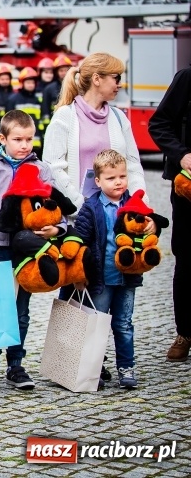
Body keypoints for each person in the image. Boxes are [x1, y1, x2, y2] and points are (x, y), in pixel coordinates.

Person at [0, 109, 64, 390]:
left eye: (29, 139)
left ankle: (16, 364)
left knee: (20, 309)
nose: (24, 145)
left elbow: (56, 207)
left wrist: (57, 229)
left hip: (29, 250)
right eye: (18, 139)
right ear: (3, 139)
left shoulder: (41, 169)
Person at [74, 149, 152, 389]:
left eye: (122, 176)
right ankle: (93, 370)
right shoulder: (91, 208)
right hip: (100, 278)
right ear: (97, 181)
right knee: (96, 326)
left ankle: (126, 367)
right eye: (110, 178)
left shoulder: (134, 204)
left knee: (124, 324)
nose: (118, 182)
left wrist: (152, 227)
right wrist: (79, 275)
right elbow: (80, 242)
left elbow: (149, 229)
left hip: (127, 278)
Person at [43, 52, 147, 214]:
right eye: (116, 78)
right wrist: (81, 206)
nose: (120, 84)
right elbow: (53, 169)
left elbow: (133, 166)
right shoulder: (65, 116)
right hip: (79, 219)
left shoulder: (119, 118)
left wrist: (137, 205)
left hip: (117, 217)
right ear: (97, 79)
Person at [148, 65, 191, 361]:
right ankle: (185, 331)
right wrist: (182, 154)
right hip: (187, 187)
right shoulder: (187, 77)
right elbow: (159, 123)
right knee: (187, 257)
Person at [6, 67, 44, 155]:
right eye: (28, 82)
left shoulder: (38, 100)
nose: (30, 85)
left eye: (32, 83)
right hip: (19, 143)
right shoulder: (13, 99)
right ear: (22, 83)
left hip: (36, 142)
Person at [40, 55, 72, 129]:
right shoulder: (48, 89)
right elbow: (45, 110)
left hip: (71, 123)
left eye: (66, 70)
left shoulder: (75, 87)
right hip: (55, 123)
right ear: (56, 72)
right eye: (61, 71)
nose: (64, 73)